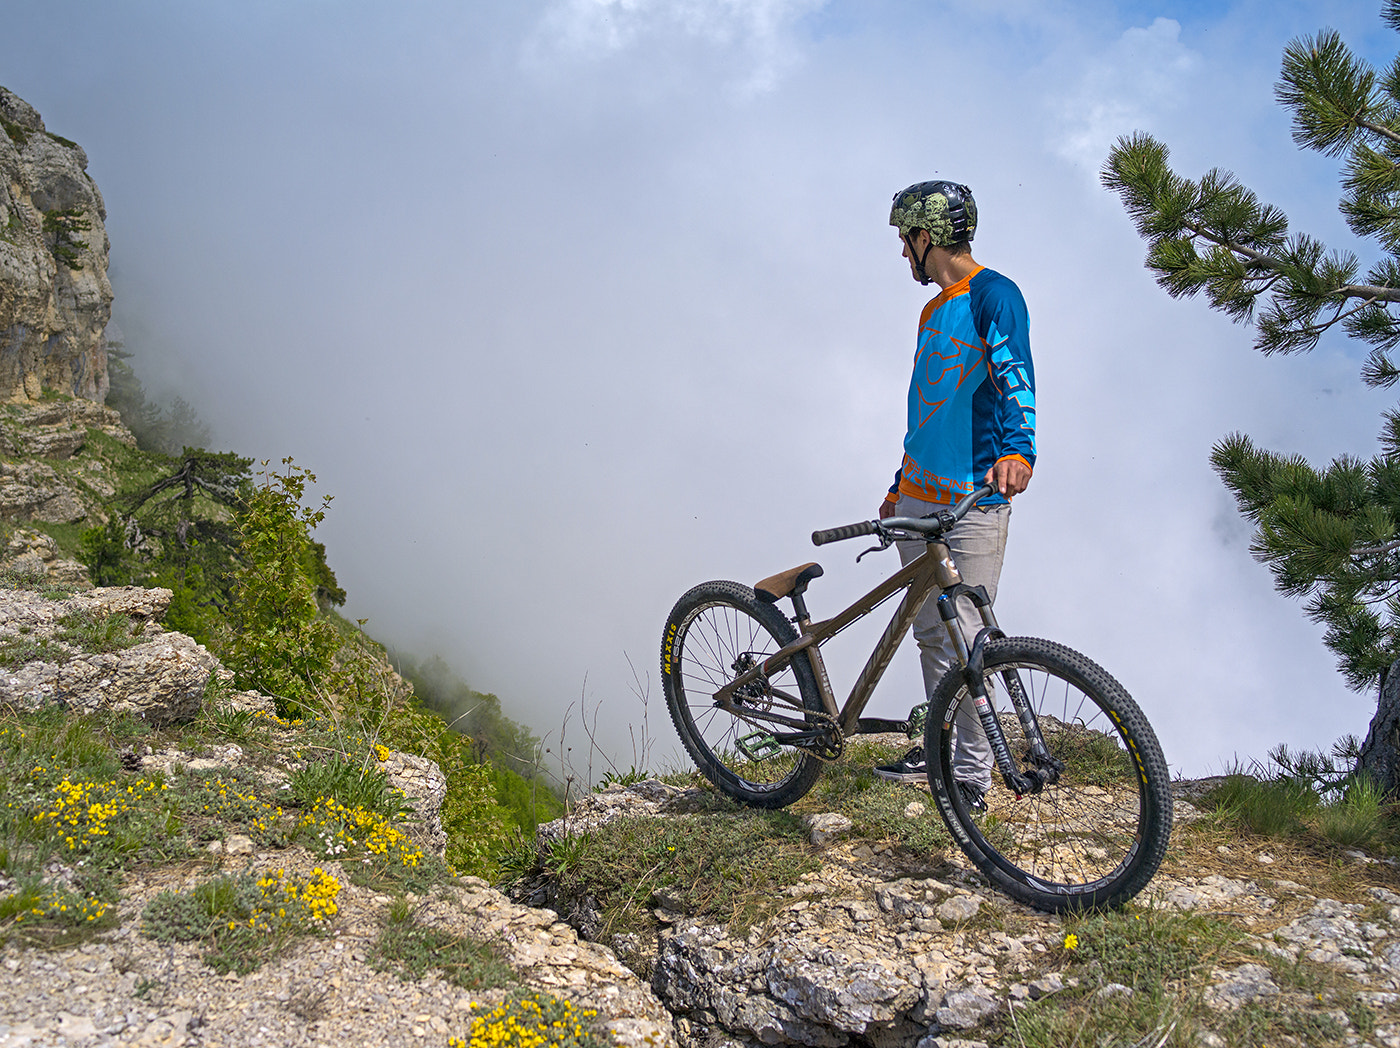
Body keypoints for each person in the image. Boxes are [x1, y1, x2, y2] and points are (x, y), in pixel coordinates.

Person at [871, 181, 1036, 811]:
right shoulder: (931, 312)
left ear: (926, 237)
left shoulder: (996, 294)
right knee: (931, 635)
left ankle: (971, 776)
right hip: (917, 499)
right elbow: (926, 411)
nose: (902, 253)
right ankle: (941, 752)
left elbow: (1015, 375)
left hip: (972, 499)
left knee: (969, 637)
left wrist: (1019, 449)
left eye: (904, 239)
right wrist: (898, 484)